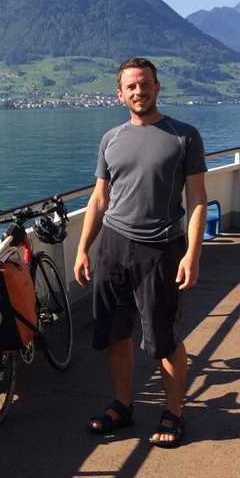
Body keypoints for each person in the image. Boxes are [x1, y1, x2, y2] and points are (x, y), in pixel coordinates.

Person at [73, 57, 207, 448]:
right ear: (119, 94)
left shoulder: (184, 136)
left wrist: (193, 254)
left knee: (162, 337)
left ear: (157, 87)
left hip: (162, 248)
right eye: (131, 86)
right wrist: (83, 249)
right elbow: (100, 199)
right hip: (113, 247)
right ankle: (122, 405)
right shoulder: (111, 139)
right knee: (115, 332)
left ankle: (174, 412)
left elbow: (197, 199)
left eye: (145, 84)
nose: (139, 91)